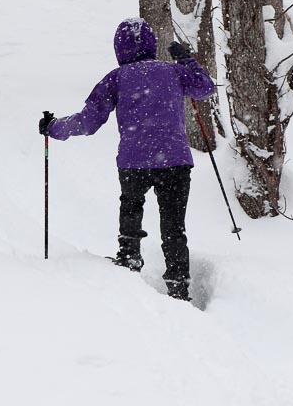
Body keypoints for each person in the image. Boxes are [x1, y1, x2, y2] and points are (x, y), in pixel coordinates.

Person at [38, 19, 215, 302]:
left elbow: (89, 121)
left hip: (135, 160)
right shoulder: (173, 72)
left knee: (131, 208)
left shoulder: (116, 78)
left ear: (119, 48)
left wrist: (54, 127)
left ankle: (130, 257)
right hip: (175, 160)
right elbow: (205, 88)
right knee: (173, 226)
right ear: (151, 44)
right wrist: (187, 60)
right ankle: (179, 285)